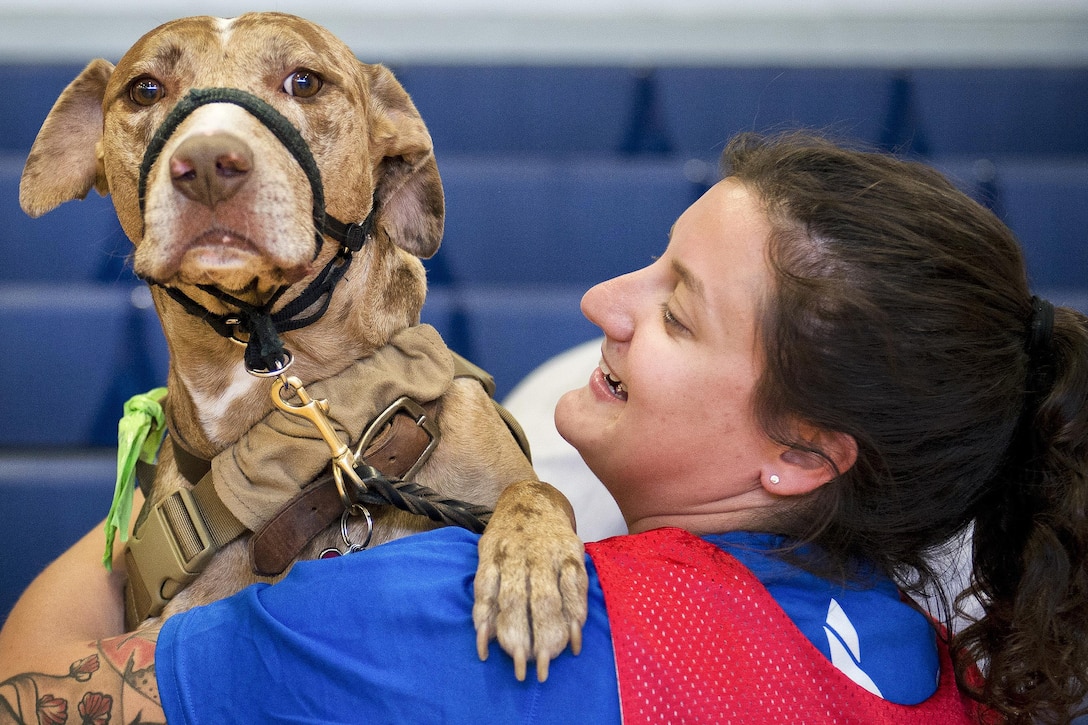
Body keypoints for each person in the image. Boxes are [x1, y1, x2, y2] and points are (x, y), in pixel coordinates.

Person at [3, 131, 1087, 724]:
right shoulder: (949, 677)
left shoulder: (460, 624)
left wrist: (207, 487)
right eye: (651, 260)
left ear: (802, 451)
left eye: (671, 311)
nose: (601, 301)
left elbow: (28, 694)